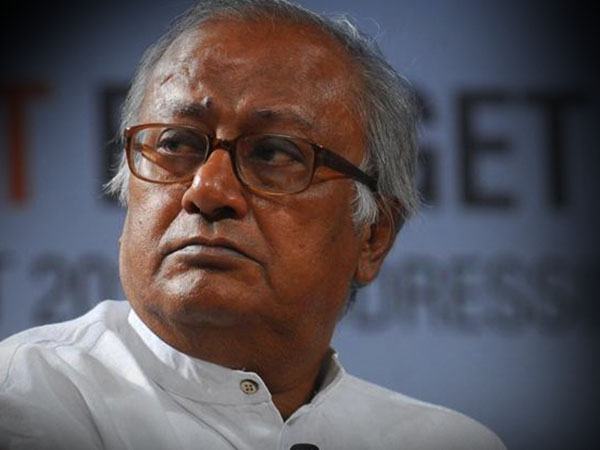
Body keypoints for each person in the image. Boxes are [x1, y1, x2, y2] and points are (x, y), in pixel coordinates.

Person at [0, 1, 505, 449]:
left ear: (373, 238)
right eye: (176, 143)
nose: (207, 191)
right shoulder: (30, 395)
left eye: (274, 153)